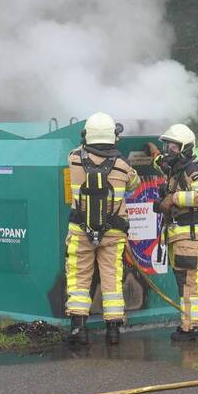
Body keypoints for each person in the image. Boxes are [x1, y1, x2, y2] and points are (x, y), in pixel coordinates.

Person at [65, 112, 141, 345]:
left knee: (79, 279)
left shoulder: (74, 158)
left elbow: (79, 149)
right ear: (112, 137)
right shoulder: (122, 165)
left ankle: (79, 331)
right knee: (111, 278)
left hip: (80, 230)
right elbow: (135, 184)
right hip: (113, 233)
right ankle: (113, 332)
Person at [147, 124, 198, 341]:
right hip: (181, 234)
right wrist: (154, 153)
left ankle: (193, 328)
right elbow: (163, 164)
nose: (168, 150)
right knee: (193, 280)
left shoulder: (192, 169)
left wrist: (173, 198)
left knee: (188, 282)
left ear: (185, 148)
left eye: (173, 146)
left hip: (188, 234)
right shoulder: (176, 168)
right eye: (167, 146)